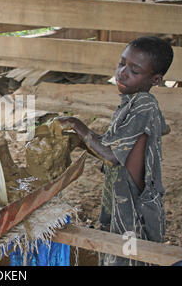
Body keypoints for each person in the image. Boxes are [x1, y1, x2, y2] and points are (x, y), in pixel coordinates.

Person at [57, 36, 173, 266]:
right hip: (119, 198)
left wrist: (77, 125)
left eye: (135, 70)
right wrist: (78, 140)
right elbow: (110, 151)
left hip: (135, 207)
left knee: (130, 258)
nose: (122, 72)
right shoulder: (130, 103)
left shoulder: (145, 105)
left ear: (156, 79)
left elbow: (111, 155)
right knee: (112, 253)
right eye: (122, 63)